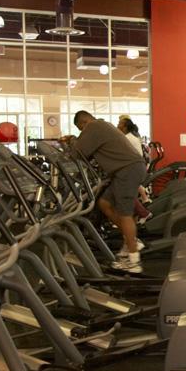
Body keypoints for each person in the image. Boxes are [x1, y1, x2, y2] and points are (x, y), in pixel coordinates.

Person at [66, 110, 147, 273]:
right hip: (124, 171)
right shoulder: (102, 126)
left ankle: (134, 261)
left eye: (80, 129)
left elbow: (77, 154)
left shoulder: (93, 126)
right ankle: (132, 240)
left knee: (124, 213)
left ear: (83, 123)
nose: (82, 132)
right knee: (105, 203)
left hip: (127, 171)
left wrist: (71, 141)